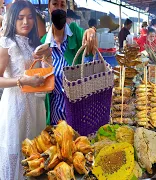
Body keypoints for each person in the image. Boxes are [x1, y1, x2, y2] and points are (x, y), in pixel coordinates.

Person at [0, 1, 46, 179]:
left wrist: (45, 58)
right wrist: (22, 80)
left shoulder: (34, 43)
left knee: (33, 154)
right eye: (20, 18)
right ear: (13, 20)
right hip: (15, 107)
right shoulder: (7, 43)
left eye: (29, 17)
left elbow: (41, 71)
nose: (25, 22)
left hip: (35, 105)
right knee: (14, 152)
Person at [40, 0, 97, 125]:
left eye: (62, 5)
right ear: (49, 8)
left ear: (66, 9)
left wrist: (91, 31)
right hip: (56, 114)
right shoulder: (44, 43)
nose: (59, 8)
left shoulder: (75, 33)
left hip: (79, 111)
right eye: (55, 4)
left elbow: (89, 45)